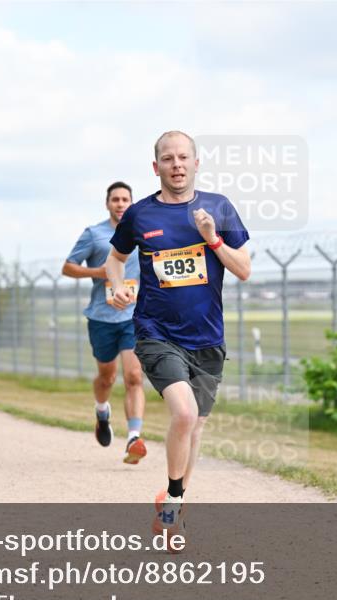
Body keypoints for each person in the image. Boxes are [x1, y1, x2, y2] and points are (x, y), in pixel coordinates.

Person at [105, 131, 251, 545]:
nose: (176, 165)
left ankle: (173, 507)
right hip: (155, 332)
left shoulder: (219, 208)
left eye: (183, 157)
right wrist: (114, 286)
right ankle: (172, 502)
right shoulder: (140, 214)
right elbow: (114, 260)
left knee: (196, 427)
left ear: (196, 162)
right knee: (184, 415)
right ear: (157, 167)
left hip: (207, 337)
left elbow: (243, 269)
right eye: (167, 159)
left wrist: (213, 239)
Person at [63, 182, 148, 464]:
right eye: (115, 199)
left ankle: (134, 437)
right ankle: (102, 411)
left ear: (132, 203)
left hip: (134, 315)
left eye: (125, 199)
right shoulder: (94, 234)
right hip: (102, 316)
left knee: (134, 376)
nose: (120, 204)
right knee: (107, 377)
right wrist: (100, 271)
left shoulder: (142, 232)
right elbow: (68, 266)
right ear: (107, 203)